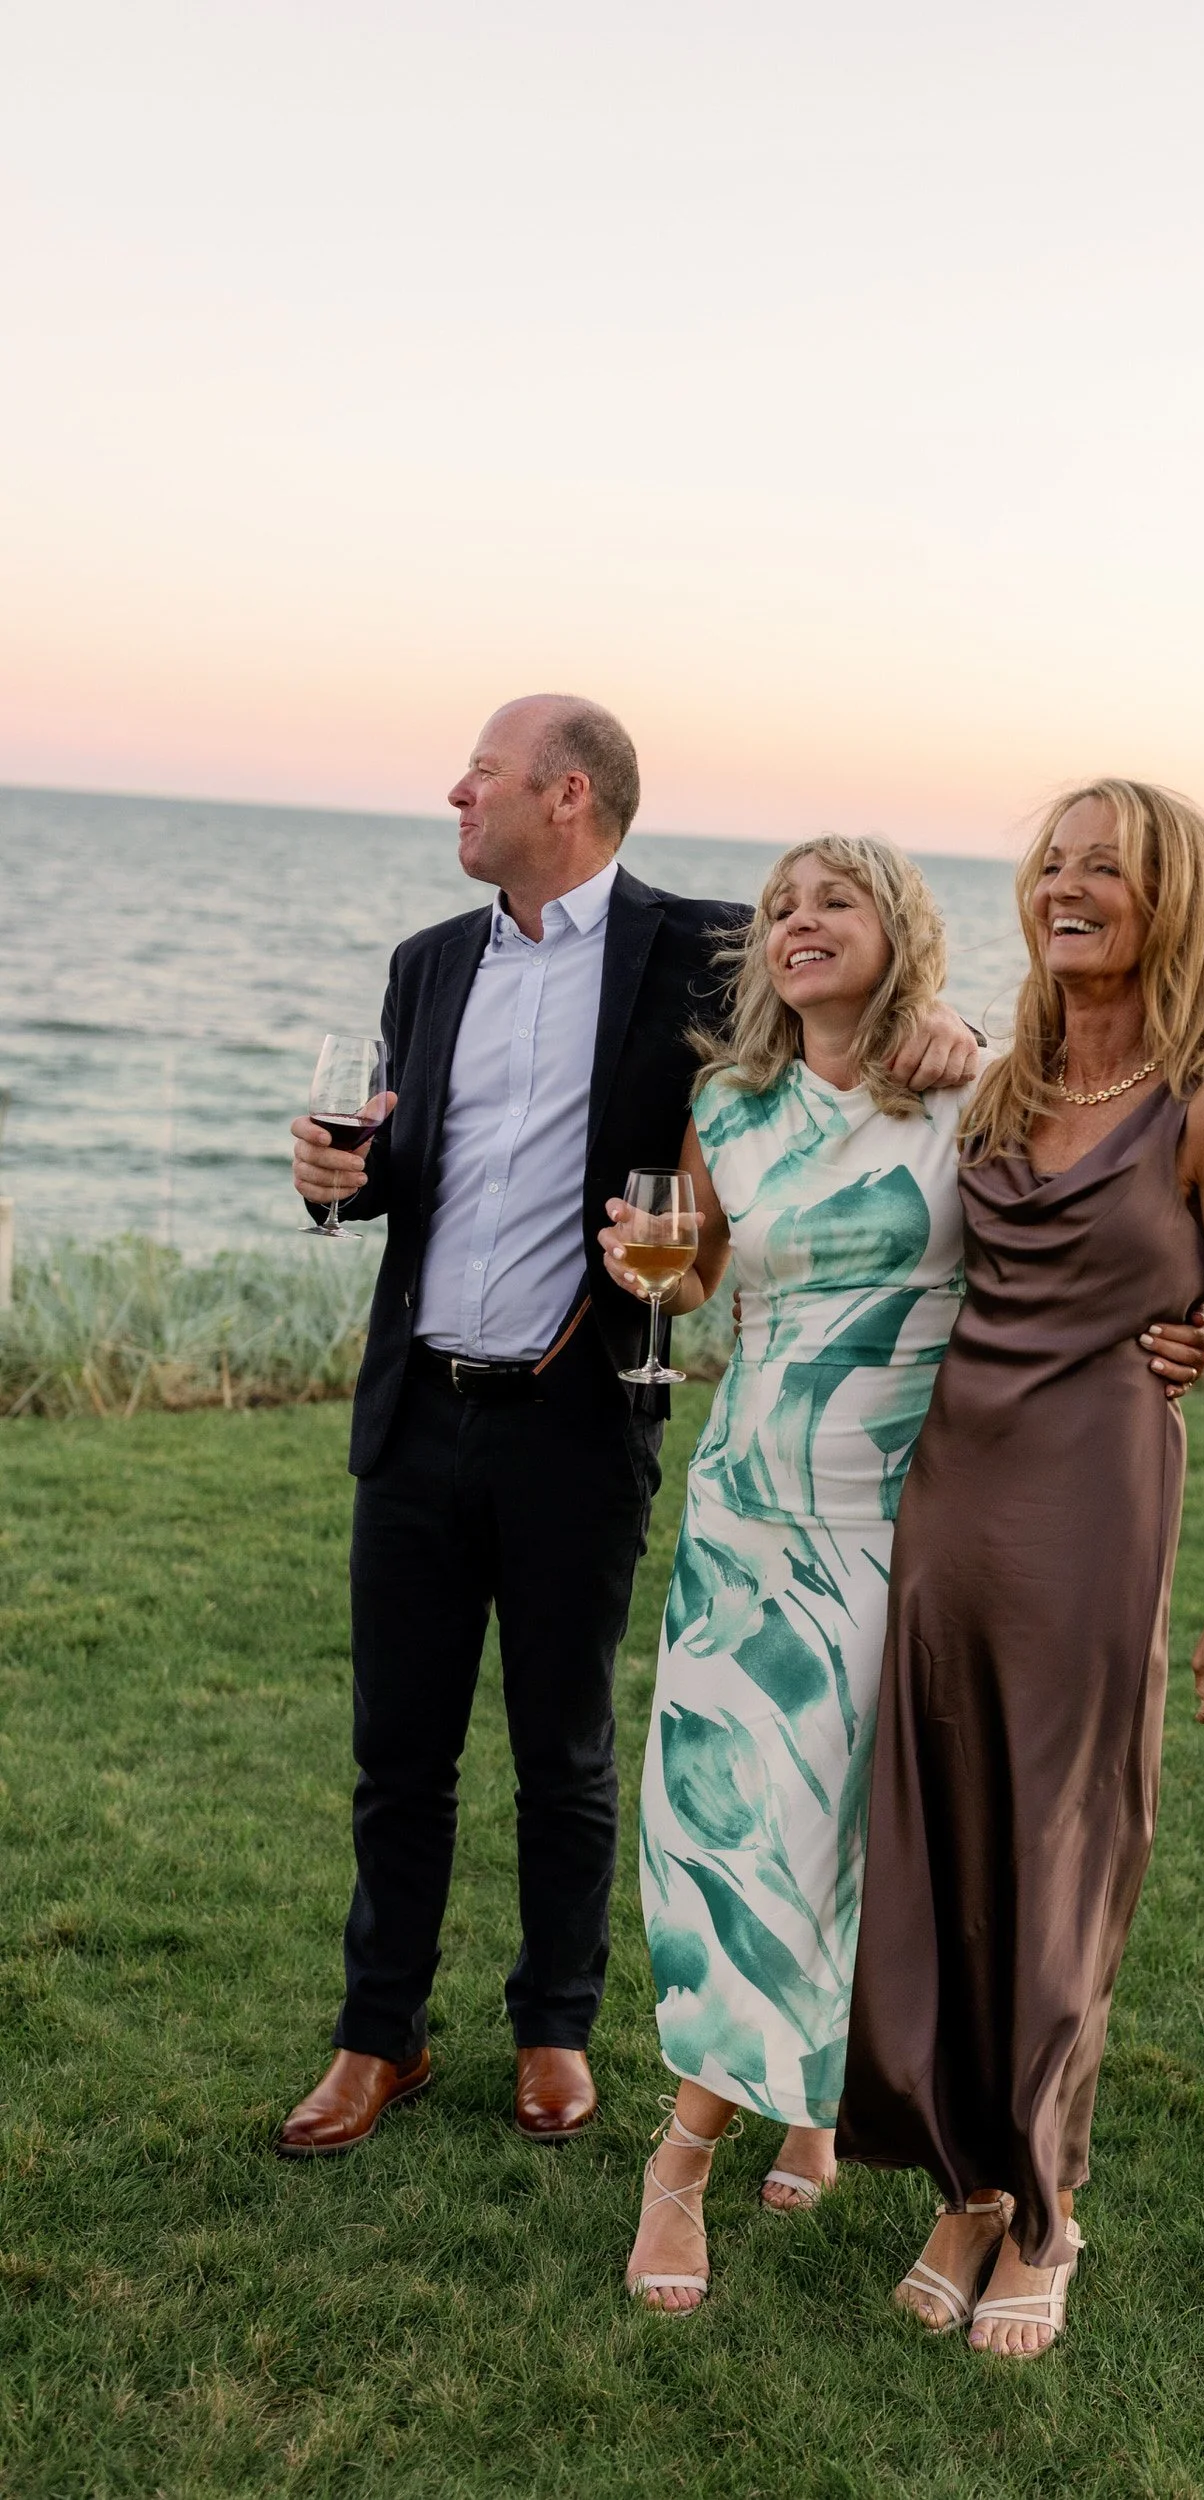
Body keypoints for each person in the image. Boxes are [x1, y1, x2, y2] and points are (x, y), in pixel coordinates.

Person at [275, 698, 979, 2158]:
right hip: (415, 1416)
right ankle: (377, 2036)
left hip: (578, 1421)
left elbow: (850, 986)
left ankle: (555, 2030)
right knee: (397, 1752)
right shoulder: (426, 963)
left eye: (480, 773)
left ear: (568, 796)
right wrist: (342, 1177)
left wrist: (949, 1029)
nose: (454, 793)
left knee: (566, 1748)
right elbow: (412, 1157)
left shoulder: (709, 946)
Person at [595, 836, 1204, 2310]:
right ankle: (703, 2147)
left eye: (838, 900)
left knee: (853, 1847)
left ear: (902, 931)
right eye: (782, 907)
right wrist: (651, 1265)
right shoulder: (725, 1103)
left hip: (904, 1531)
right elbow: (711, 1273)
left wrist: (1167, 1327)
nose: (801, 921)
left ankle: (782, 2118)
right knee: (724, 1838)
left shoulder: (973, 1089)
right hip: (748, 1516)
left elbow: (1074, 1234)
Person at [836, 778, 1204, 2357]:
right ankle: (968, 2184)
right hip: (950, 1502)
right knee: (947, 1843)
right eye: (1053, 863)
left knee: (1064, 1858)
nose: (1068, 886)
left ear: (1173, 900)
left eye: (1106, 868)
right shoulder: (1001, 1083)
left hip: (1095, 1509)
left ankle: (1046, 2209)